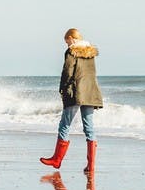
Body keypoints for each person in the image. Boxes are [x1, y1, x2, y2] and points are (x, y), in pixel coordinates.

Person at [40, 28, 103, 172]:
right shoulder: (90, 52)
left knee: (65, 124)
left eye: (67, 41)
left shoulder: (72, 51)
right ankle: (91, 166)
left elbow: (68, 72)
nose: (66, 44)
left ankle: (57, 159)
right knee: (89, 127)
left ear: (71, 38)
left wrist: (62, 88)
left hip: (75, 92)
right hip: (90, 92)